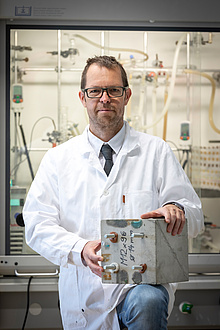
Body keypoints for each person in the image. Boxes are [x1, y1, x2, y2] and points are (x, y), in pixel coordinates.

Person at [23, 55, 204, 330]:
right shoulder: (58, 159)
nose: (104, 98)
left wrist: (175, 209)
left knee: (148, 300)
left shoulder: (156, 152)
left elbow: (194, 214)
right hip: (85, 294)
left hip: (141, 285)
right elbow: (36, 224)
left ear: (127, 95)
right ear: (83, 98)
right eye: (95, 91)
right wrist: (80, 249)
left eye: (113, 90)